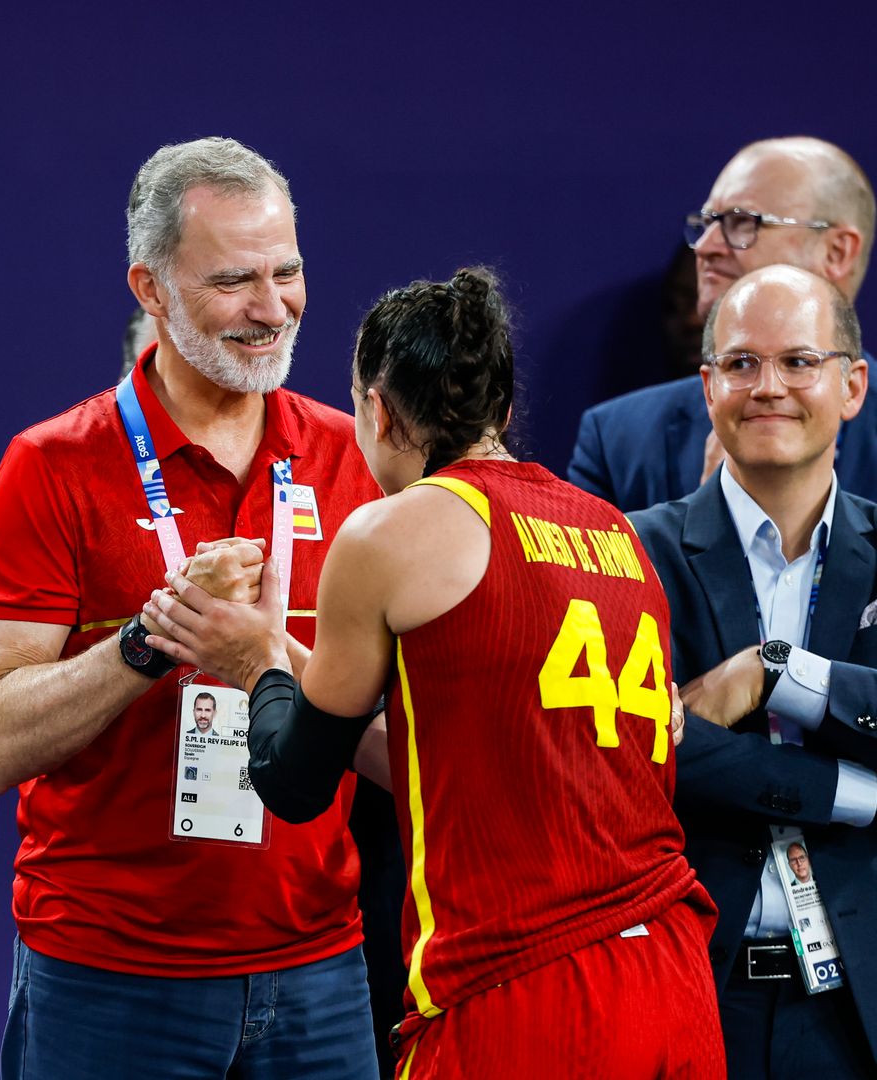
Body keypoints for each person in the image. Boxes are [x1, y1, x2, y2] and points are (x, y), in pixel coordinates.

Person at [146, 268, 725, 1078]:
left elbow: (294, 779)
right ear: (505, 410)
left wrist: (256, 662)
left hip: (523, 991)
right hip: (673, 977)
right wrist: (294, 664)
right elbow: (470, 750)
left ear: (378, 410)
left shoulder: (389, 533)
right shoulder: (617, 536)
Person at [0, 137, 381, 1079]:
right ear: (149, 289)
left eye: (289, 272)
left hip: (318, 968)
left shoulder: (354, 458)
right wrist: (148, 644)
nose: (273, 310)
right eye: (235, 281)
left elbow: (403, 747)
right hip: (109, 978)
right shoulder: (52, 465)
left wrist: (267, 662)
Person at [631, 265, 877, 1077]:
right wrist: (859, 792)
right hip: (693, 980)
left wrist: (777, 672)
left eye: (799, 362)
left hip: (859, 997)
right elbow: (643, 750)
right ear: (707, 387)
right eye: (741, 364)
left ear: (853, 384)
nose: (768, 387)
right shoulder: (627, 553)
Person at [568, 136, 877, 512]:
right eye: (708, 222)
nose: (706, 246)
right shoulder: (618, 439)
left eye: (742, 223)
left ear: (837, 252)